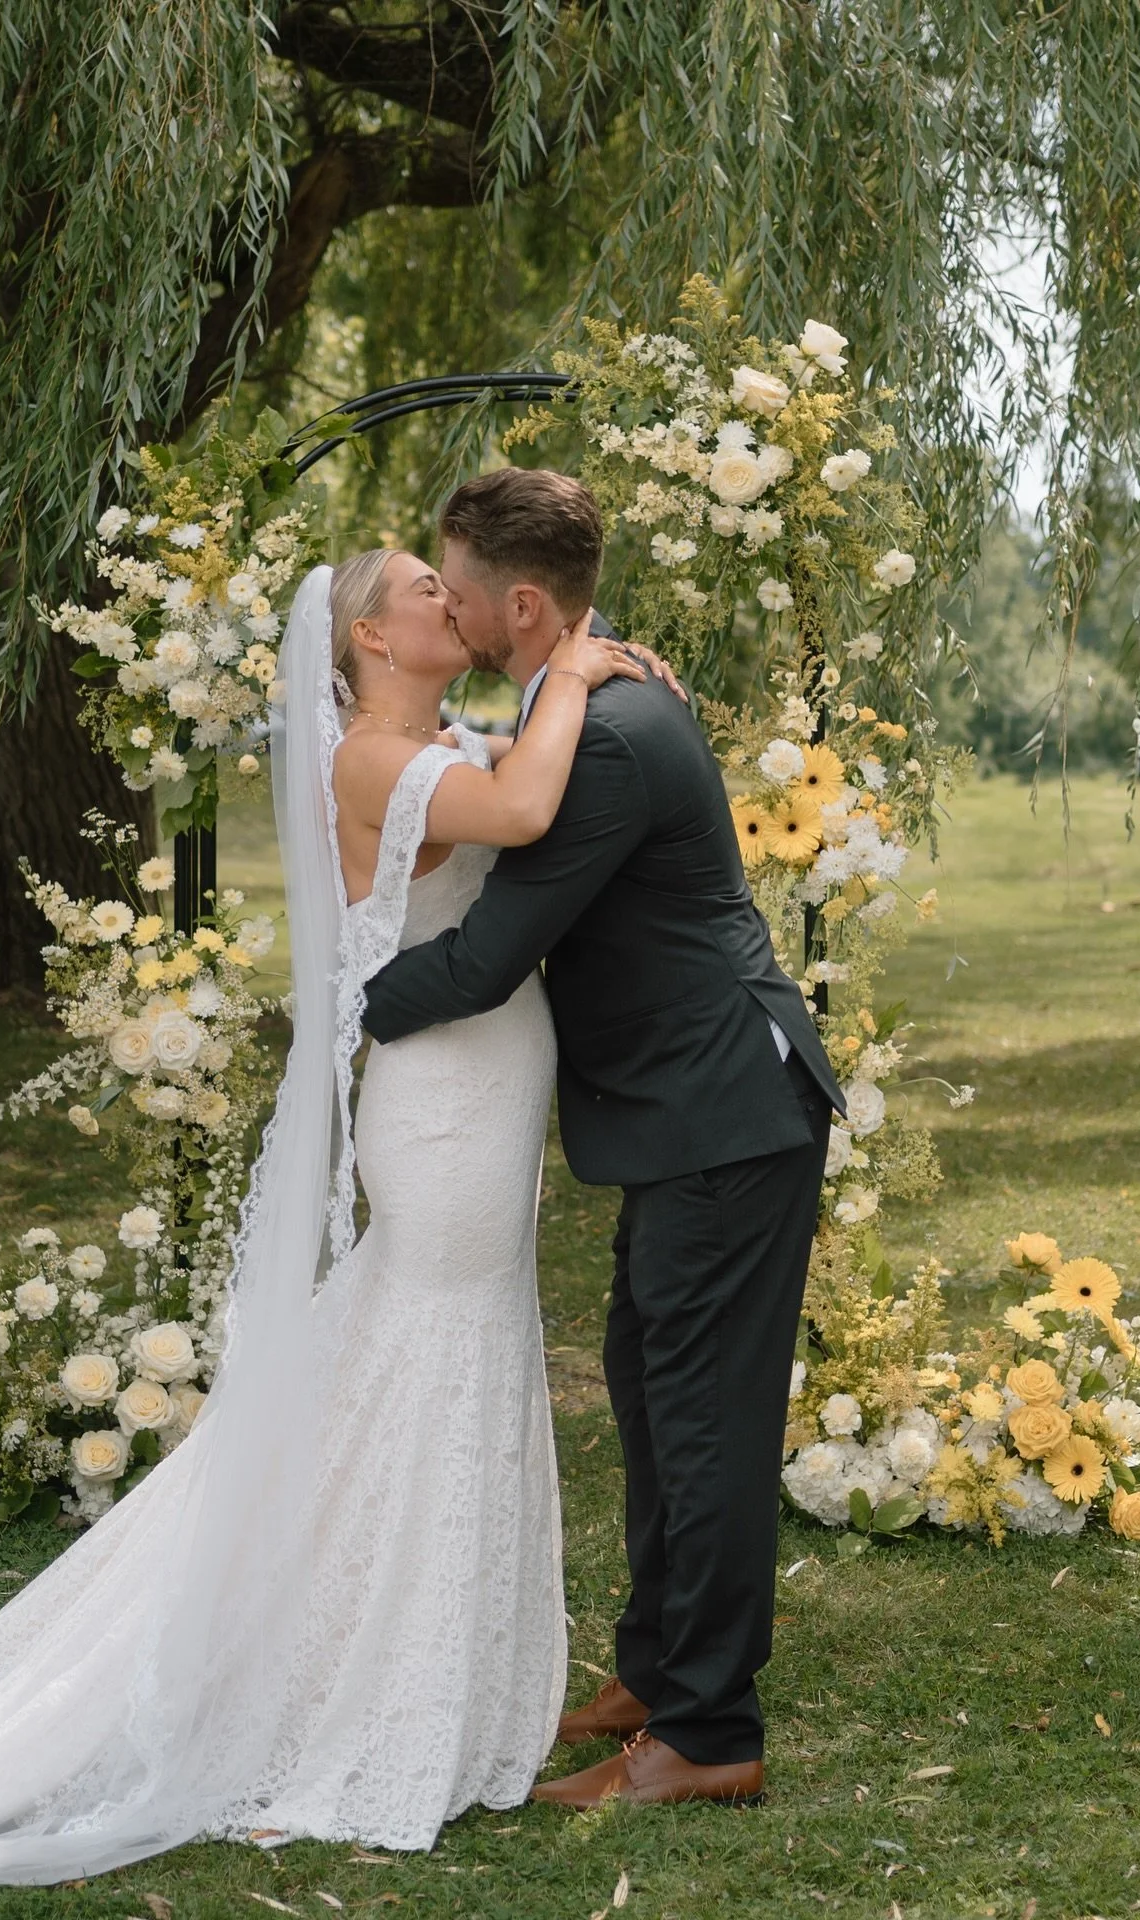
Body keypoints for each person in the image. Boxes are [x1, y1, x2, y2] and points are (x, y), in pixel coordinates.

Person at [0, 549, 667, 1905]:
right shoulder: (375, 759)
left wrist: (560, 674)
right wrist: (580, 670)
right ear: (371, 632)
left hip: (485, 1094)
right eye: (426, 588)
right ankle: (360, 1688)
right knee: (427, 1358)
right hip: (441, 1109)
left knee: (440, 1356)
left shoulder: (435, 737)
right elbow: (530, 807)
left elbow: (515, 770)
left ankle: (429, 1669)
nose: (451, 601)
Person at [361, 467, 845, 1811]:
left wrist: (347, 999)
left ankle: (706, 1736)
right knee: (650, 1389)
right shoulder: (575, 699)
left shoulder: (612, 734)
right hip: (692, 1116)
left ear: (520, 603)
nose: (443, 607)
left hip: (724, 1117)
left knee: (703, 1424)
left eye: (453, 590)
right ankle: (656, 1672)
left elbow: (488, 957)